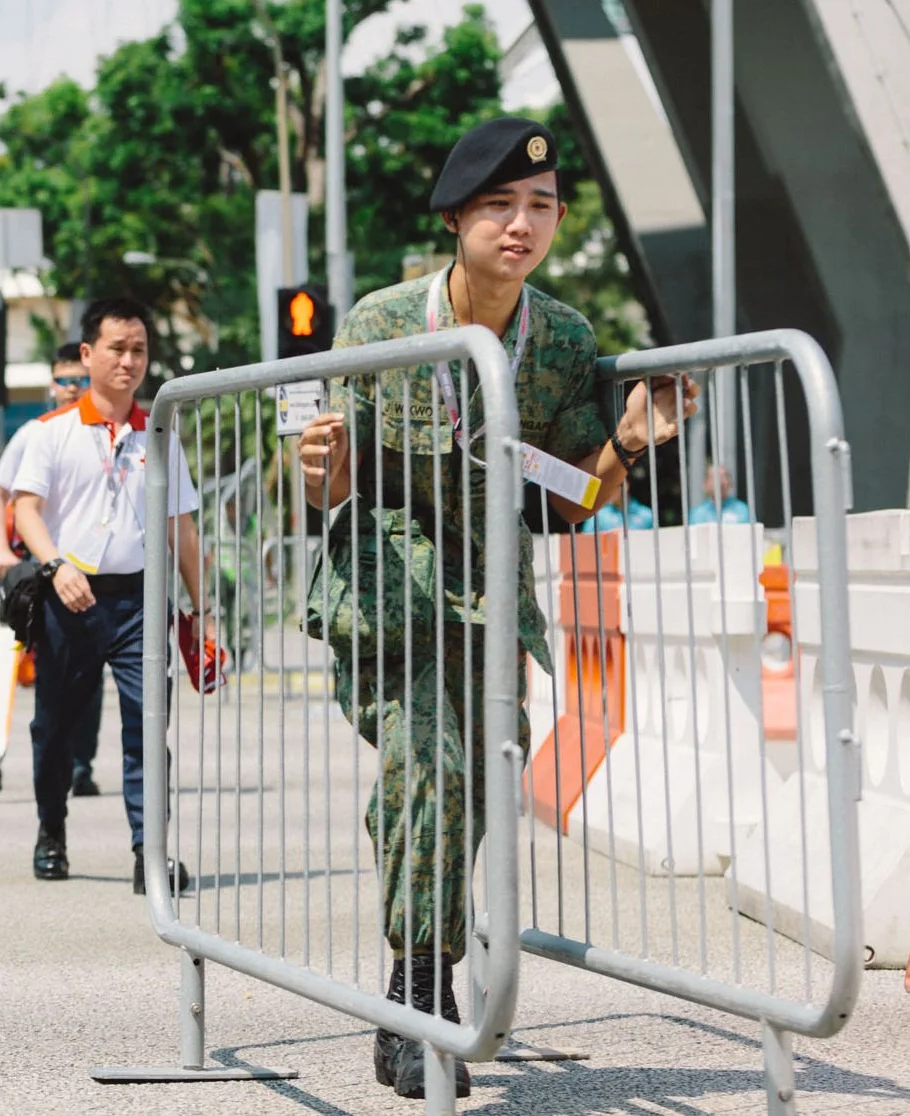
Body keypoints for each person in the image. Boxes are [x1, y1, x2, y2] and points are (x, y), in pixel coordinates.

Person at [298, 116, 697, 1099]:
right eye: (498, 207)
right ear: (457, 218)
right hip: (390, 595)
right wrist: (313, 470)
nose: (522, 225)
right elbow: (328, 479)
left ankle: (419, 963)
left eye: (540, 207)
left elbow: (569, 497)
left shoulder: (561, 341)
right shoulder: (384, 326)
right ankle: (420, 997)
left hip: (488, 599)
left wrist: (633, 445)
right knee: (429, 759)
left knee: (464, 779)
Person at [12, 298, 212, 893]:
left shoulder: (161, 431)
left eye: (139, 351)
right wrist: (53, 566)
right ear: (87, 354)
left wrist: (201, 612)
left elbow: (182, 527)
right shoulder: (50, 434)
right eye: (117, 349)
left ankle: (149, 851)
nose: (129, 361)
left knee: (149, 727)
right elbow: (24, 511)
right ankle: (52, 831)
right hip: (66, 600)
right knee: (53, 728)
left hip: (140, 603)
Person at [0, 342, 105, 797]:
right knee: (51, 674)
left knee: (89, 678)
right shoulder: (36, 433)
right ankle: (36, 765)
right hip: (41, 573)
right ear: (51, 385)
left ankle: (80, 764)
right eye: (64, 380)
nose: (72, 388)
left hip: (92, 575)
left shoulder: (107, 430)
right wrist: (2, 550)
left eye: (81, 380)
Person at [688, 463, 753, 524]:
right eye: (713, 477)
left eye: (723, 476)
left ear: (730, 484)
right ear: (705, 484)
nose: (719, 482)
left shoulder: (742, 510)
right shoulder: (697, 514)